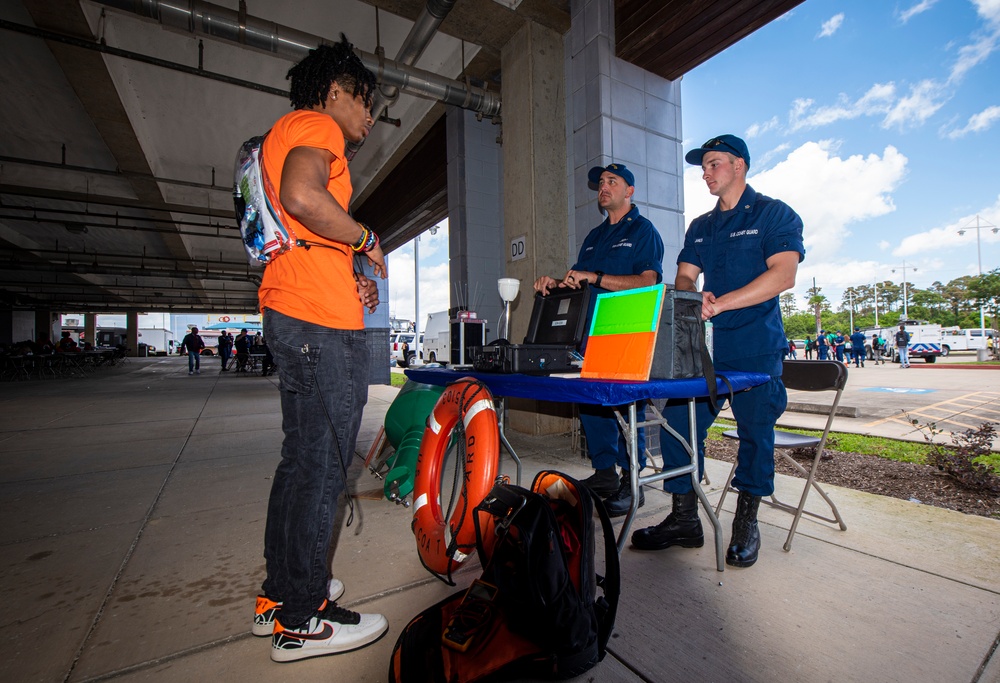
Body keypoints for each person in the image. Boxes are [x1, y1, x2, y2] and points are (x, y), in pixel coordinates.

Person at [253, 35, 387, 663]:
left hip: (294, 305)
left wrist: (347, 264)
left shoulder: (286, 130)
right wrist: (365, 236)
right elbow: (306, 198)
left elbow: (301, 221)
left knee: (299, 461)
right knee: (323, 468)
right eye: (366, 104)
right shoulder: (316, 125)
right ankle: (303, 619)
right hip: (317, 325)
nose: (368, 119)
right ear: (338, 91)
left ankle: (280, 595)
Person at [630, 134, 804, 569]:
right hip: (705, 351)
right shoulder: (701, 227)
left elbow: (783, 275)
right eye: (703, 167)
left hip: (754, 348)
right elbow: (685, 277)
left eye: (713, 164)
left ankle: (747, 520)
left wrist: (721, 301)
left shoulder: (773, 214)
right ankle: (685, 518)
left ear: (739, 165)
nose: (705, 173)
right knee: (676, 419)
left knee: (755, 432)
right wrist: (693, 296)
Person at [534, 163, 664, 517]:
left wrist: (597, 275)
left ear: (629, 191)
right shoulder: (593, 237)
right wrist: (554, 284)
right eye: (600, 183)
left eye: (612, 182)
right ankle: (605, 473)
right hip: (589, 332)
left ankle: (632, 480)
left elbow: (648, 282)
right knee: (591, 403)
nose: (603, 187)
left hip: (625, 332)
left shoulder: (643, 231)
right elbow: (580, 282)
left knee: (624, 406)